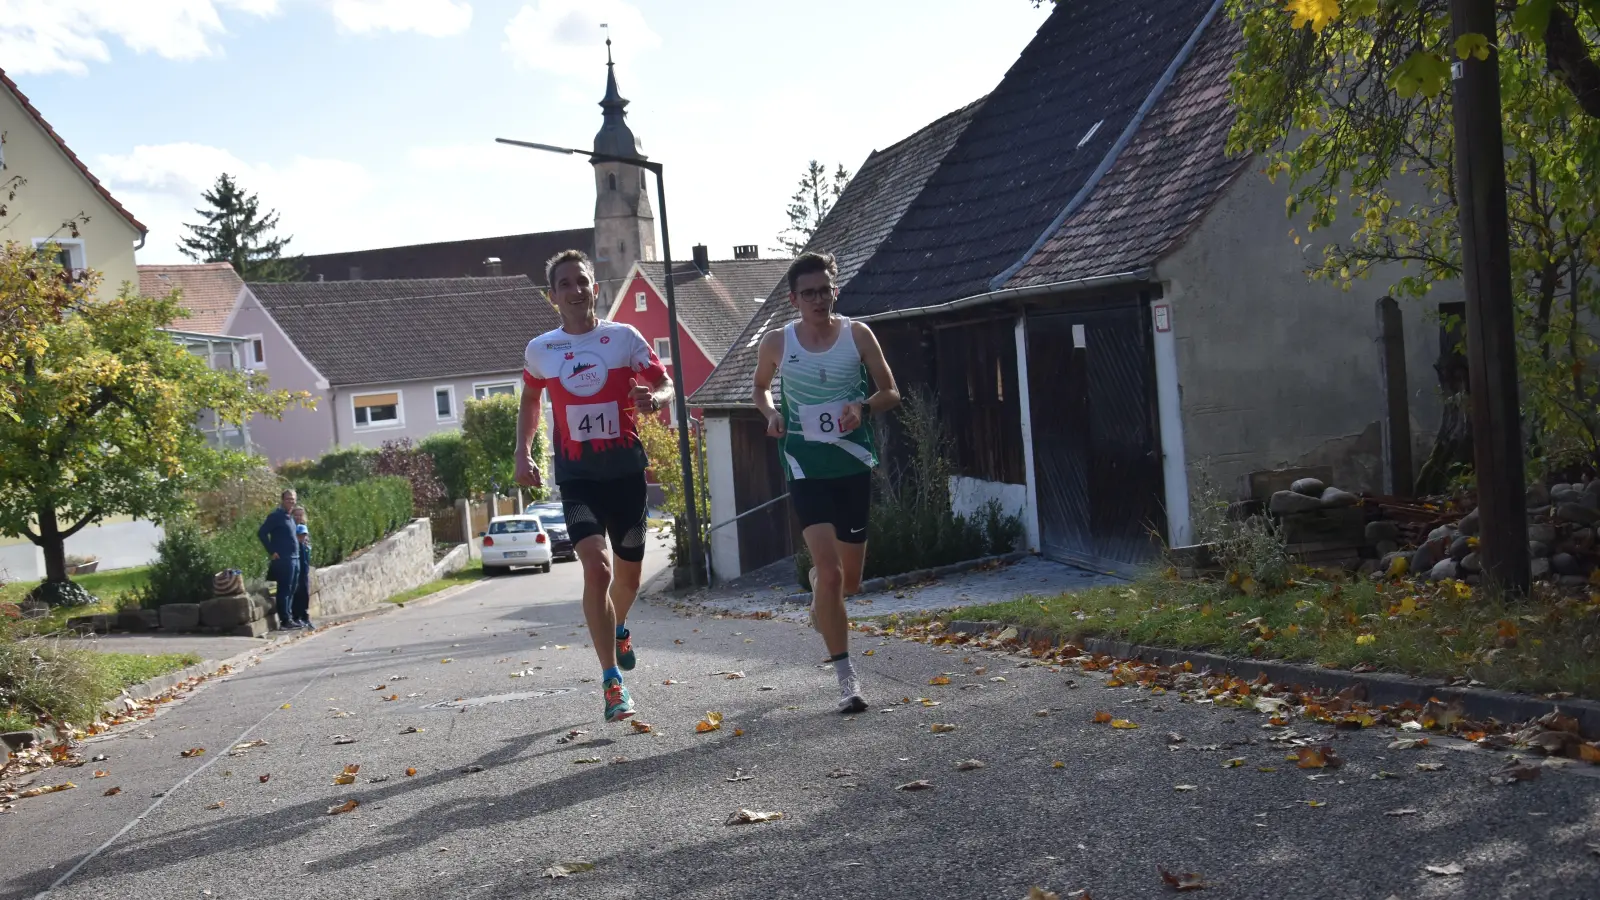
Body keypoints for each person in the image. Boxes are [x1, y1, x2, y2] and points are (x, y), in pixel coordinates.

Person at [514, 249, 675, 723]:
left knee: (628, 576)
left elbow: (664, 383)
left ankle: (619, 625)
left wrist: (654, 399)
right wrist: (523, 452)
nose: (575, 290)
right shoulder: (541, 350)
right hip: (577, 475)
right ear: (553, 296)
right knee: (598, 571)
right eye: (564, 283)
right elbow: (528, 401)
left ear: (594, 289)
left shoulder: (623, 339)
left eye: (582, 281)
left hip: (625, 471)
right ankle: (611, 682)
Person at [753, 251, 900, 713]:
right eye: (809, 293)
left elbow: (891, 390)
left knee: (849, 582)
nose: (818, 299)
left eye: (825, 290)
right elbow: (759, 388)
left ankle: (821, 587)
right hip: (805, 463)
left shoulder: (858, 335)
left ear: (835, 291)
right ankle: (846, 679)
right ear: (794, 299)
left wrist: (864, 407)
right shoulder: (778, 342)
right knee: (833, 572)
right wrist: (771, 412)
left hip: (852, 462)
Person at [257, 488, 301, 630]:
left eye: (293, 499)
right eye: (288, 499)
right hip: (283, 560)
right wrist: (272, 551)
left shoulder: (291, 517)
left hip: (295, 558)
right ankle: (284, 620)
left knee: (292, 589)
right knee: (284, 589)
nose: (291, 501)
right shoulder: (276, 516)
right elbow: (262, 533)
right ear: (282, 500)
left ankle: (289, 617)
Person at [291, 506, 314, 630]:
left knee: (305, 592)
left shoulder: (304, 528)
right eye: (296, 515)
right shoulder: (290, 528)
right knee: (297, 591)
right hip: (295, 564)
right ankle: (296, 617)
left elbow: (307, 545)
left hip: (304, 564)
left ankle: (305, 617)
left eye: (300, 515)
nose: (298, 517)